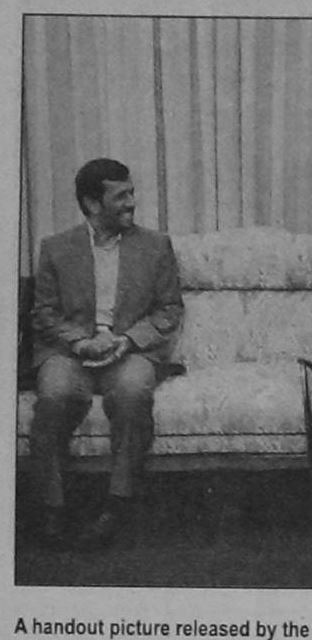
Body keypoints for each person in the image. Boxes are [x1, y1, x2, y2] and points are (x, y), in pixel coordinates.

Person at [30, 158, 184, 550]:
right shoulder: (55, 248)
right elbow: (44, 313)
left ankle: (117, 504)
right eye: (121, 196)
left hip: (128, 350)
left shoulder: (156, 246)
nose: (132, 202)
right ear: (92, 204)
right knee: (53, 395)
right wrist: (80, 342)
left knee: (133, 391)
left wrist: (128, 340)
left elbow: (169, 309)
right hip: (71, 351)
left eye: (131, 193)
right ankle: (52, 508)